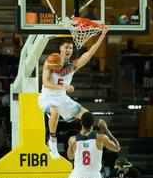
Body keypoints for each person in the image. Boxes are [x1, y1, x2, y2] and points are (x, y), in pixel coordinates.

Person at [38, 28, 108, 159]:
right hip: (47, 97)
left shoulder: (73, 65)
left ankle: (86, 141)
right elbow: (46, 83)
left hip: (62, 98)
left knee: (87, 116)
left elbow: (90, 52)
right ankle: (52, 139)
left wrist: (102, 35)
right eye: (66, 47)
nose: (69, 50)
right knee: (55, 112)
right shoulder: (51, 61)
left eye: (71, 47)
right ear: (60, 48)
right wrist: (64, 86)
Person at [67, 112, 120, 178]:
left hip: (77, 175)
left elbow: (70, 157)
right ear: (93, 124)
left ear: (81, 123)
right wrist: (106, 130)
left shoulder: (72, 139)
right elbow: (117, 148)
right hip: (93, 176)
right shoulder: (101, 138)